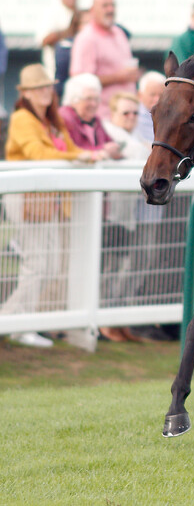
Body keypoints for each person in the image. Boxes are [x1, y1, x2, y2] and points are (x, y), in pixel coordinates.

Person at [2, 64, 100, 347]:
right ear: (27, 93)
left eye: (48, 86)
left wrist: (90, 155)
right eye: (39, 87)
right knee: (37, 262)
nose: (46, 91)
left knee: (51, 263)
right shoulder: (22, 118)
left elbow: (69, 149)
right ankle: (17, 323)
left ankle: (14, 319)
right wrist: (76, 157)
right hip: (26, 197)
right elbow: (35, 153)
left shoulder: (52, 120)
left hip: (47, 198)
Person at [70, 0, 140, 120]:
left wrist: (132, 75)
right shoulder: (87, 38)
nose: (110, 9)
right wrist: (117, 77)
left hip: (128, 115)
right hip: (103, 116)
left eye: (112, 5)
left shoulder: (119, 32)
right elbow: (81, 82)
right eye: (105, 6)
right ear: (93, 10)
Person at [59, 73, 122, 158]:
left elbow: (109, 142)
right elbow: (73, 150)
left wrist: (115, 149)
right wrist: (102, 150)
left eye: (96, 99)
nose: (94, 104)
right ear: (74, 100)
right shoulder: (64, 118)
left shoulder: (95, 119)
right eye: (88, 99)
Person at [36, 0, 78, 80]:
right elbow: (43, 41)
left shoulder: (81, 13)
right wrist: (68, 31)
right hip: (55, 74)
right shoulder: (51, 13)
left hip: (76, 74)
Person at [135, 71, 165, 146]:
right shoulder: (132, 115)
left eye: (161, 95)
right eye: (152, 95)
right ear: (140, 95)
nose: (157, 99)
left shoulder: (172, 116)